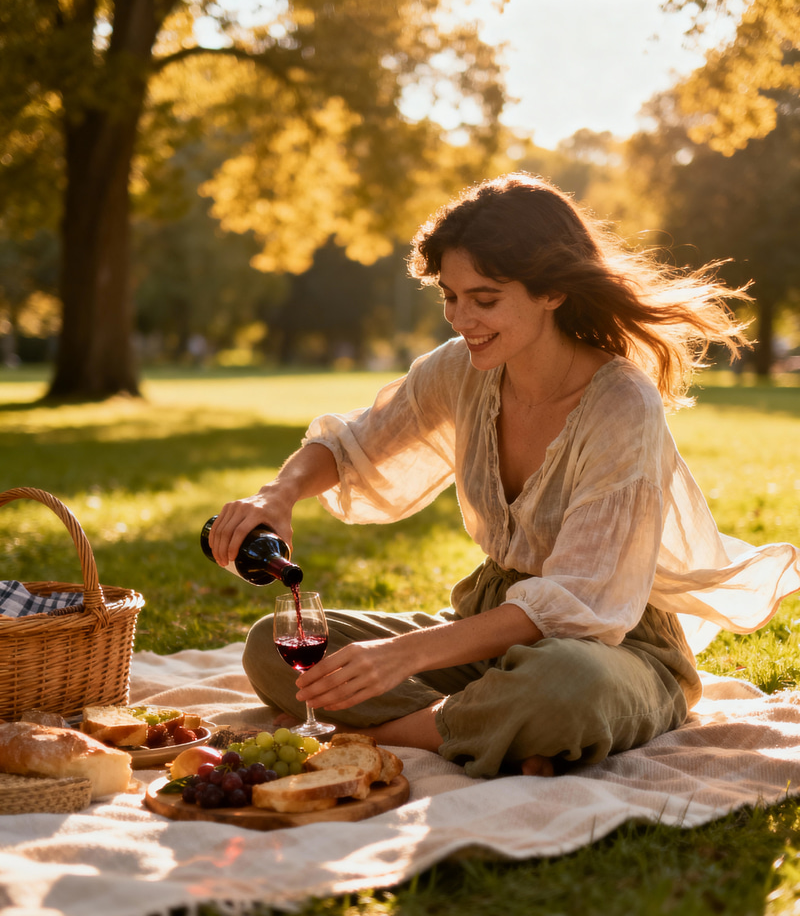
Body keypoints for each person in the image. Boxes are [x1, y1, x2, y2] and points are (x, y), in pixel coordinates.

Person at [207, 172, 800, 779]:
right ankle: (491, 731)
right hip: (486, 628)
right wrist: (276, 496)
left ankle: (390, 732)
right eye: (450, 296)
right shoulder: (461, 369)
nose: (461, 318)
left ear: (553, 292)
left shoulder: (622, 403)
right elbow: (352, 443)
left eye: (484, 299)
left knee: (564, 686)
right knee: (272, 646)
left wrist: (403, 656)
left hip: (612, 647)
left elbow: (579, 600)